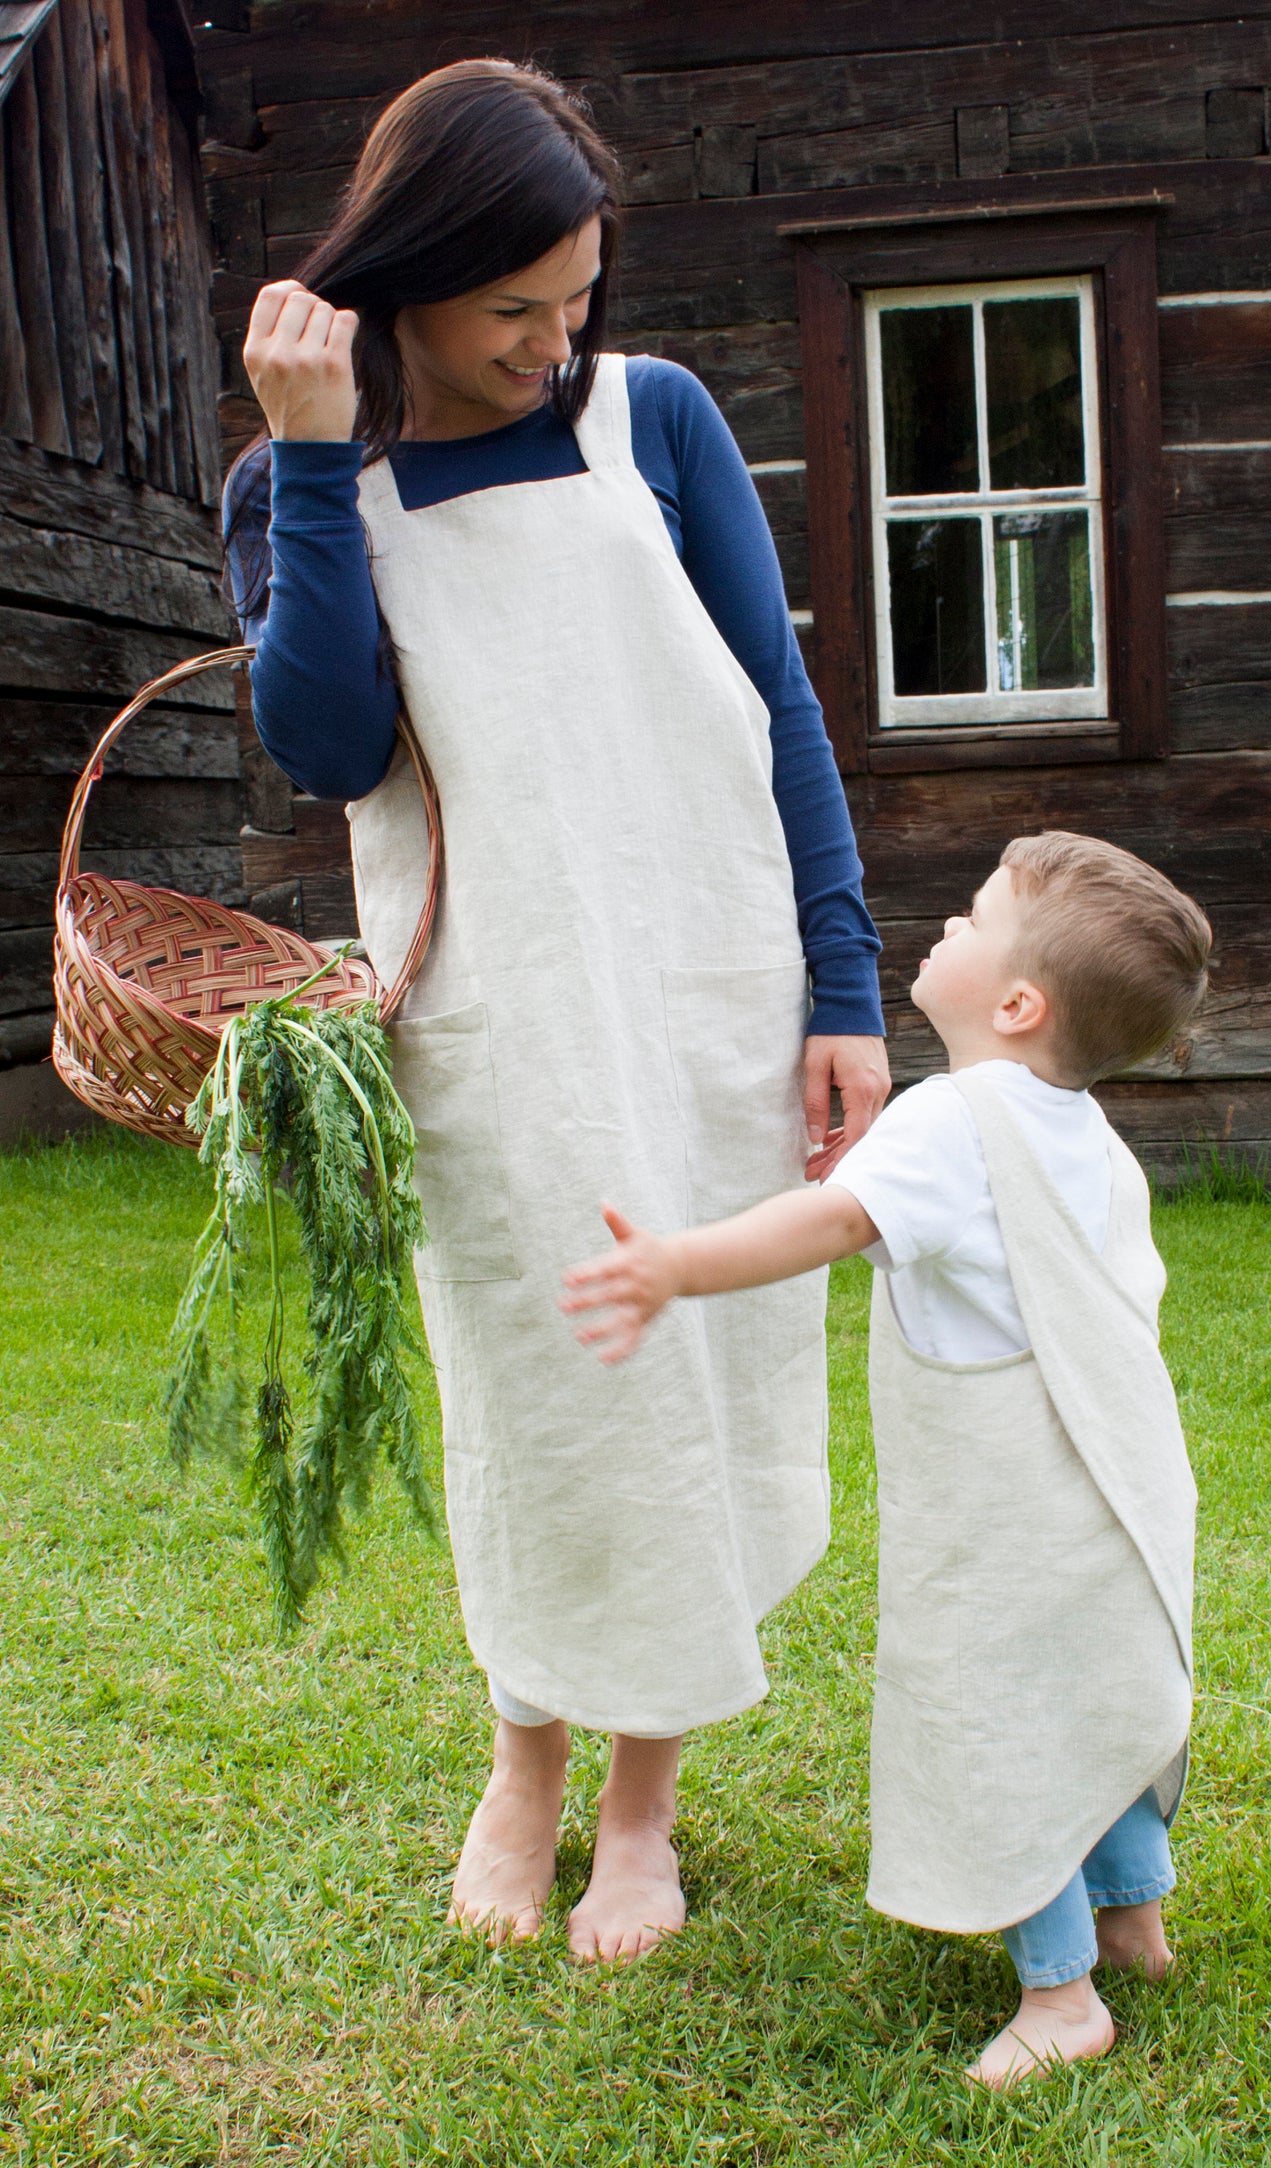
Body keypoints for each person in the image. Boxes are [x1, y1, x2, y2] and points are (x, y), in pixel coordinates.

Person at [225, 58, 890, 1964]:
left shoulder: (653, 419)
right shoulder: (297, 480)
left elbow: (778, 706)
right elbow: (327, 743)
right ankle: (524, 1759)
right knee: (537, 1384)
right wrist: (318, 455)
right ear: (404, 283)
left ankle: (641, 1801)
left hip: (704, 982)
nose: (554, 342)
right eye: (513, 307)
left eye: (578, 297)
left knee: (686, 1375)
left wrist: (844, 984)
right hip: (497, 1015)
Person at [563, 831, 1208, 2081]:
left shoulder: (950, 1119)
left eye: (973, 918)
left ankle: (1061, 1993)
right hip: (1108, 1496)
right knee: (1082, 1698)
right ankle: (1133, 1919)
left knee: (1002, 1722)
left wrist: (673, 1265)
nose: (947, 926)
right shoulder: (1084, 1132)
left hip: (1002, 1516)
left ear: (1016, 1005)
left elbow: (829, 1221)